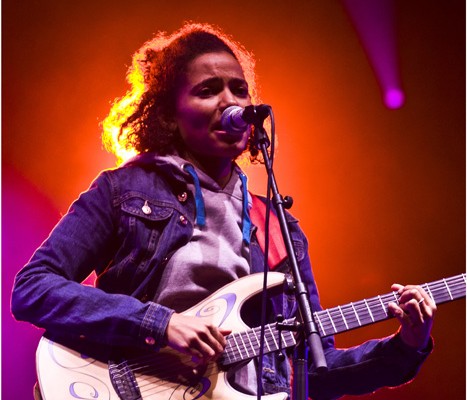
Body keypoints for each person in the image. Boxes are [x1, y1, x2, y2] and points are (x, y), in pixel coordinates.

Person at [11, 22, 436, 399]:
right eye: (207, 90)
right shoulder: (123, 190)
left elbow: (313, 371)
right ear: (169, 115)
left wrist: (407, 345)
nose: (230, 103)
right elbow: (32, 288)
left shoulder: (276, 224)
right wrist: (159, 323)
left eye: (239, 88)